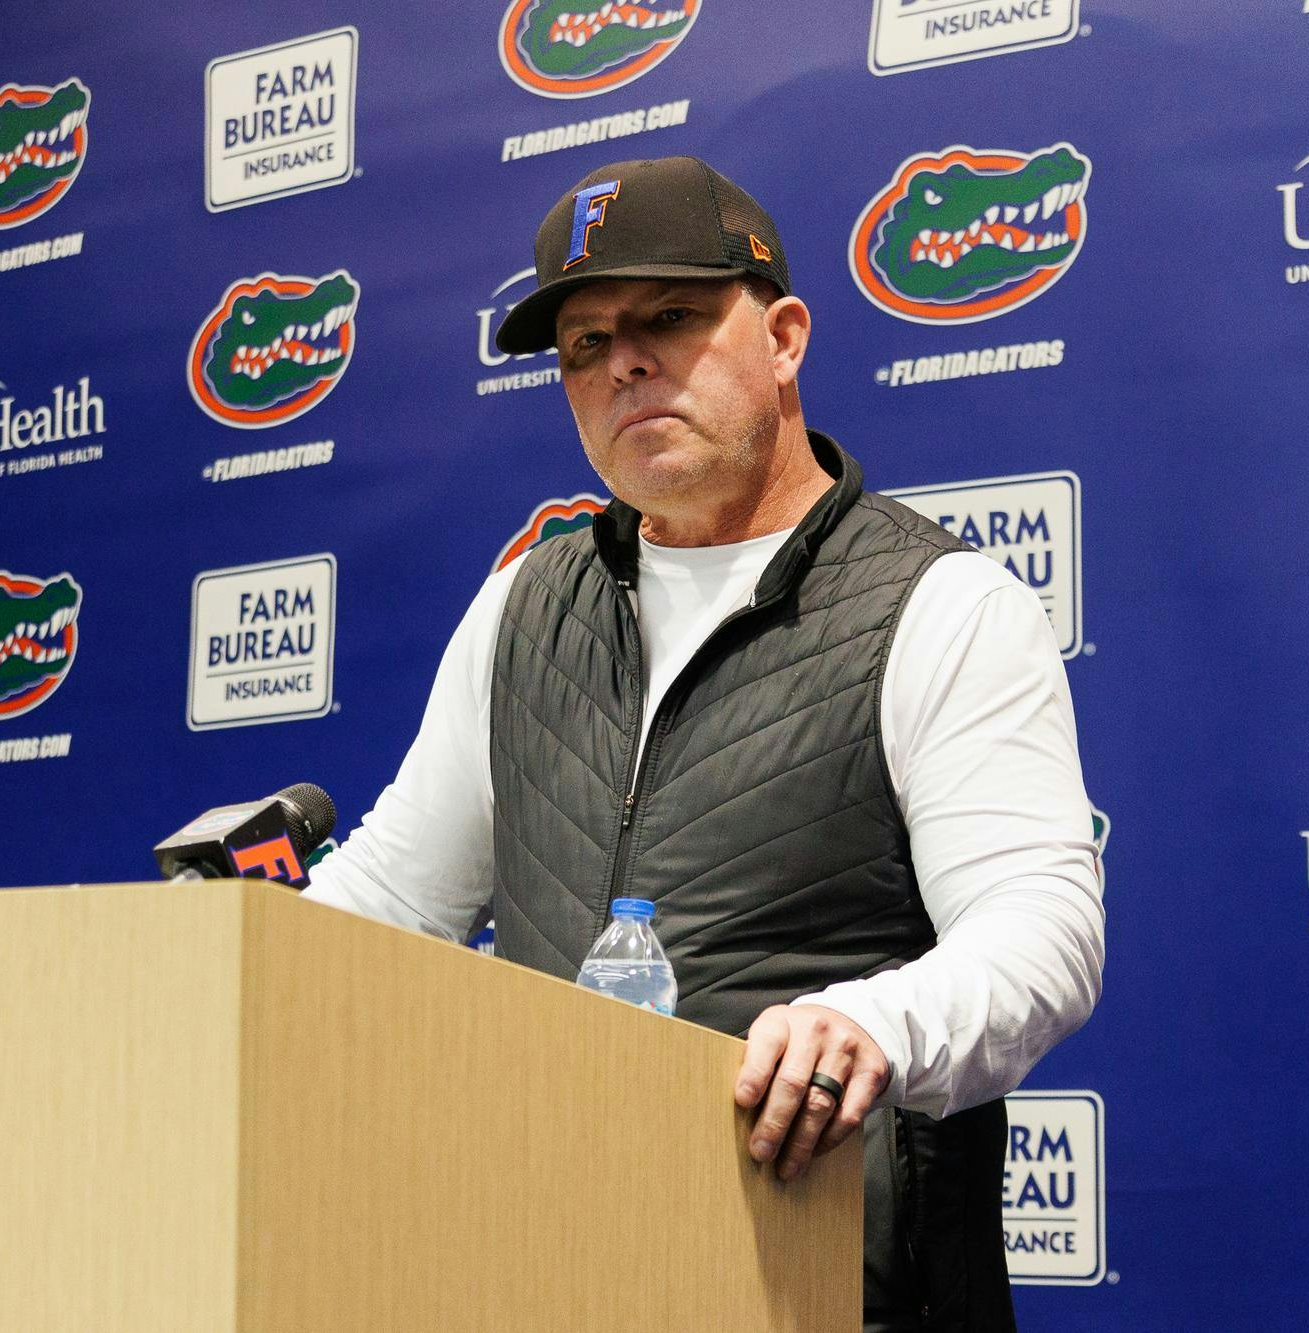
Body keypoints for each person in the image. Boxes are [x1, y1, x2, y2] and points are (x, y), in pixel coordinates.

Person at [304, 155, 1103, 1330]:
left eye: (669, 317)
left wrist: (871, 1023)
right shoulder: (523, 599)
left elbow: (1041, 931)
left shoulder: (941, 604)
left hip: (826, 1283)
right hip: (549, 1268)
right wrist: (205, 968)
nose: (622, 362)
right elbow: (391, 897)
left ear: (782, 337)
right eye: (581, 345)